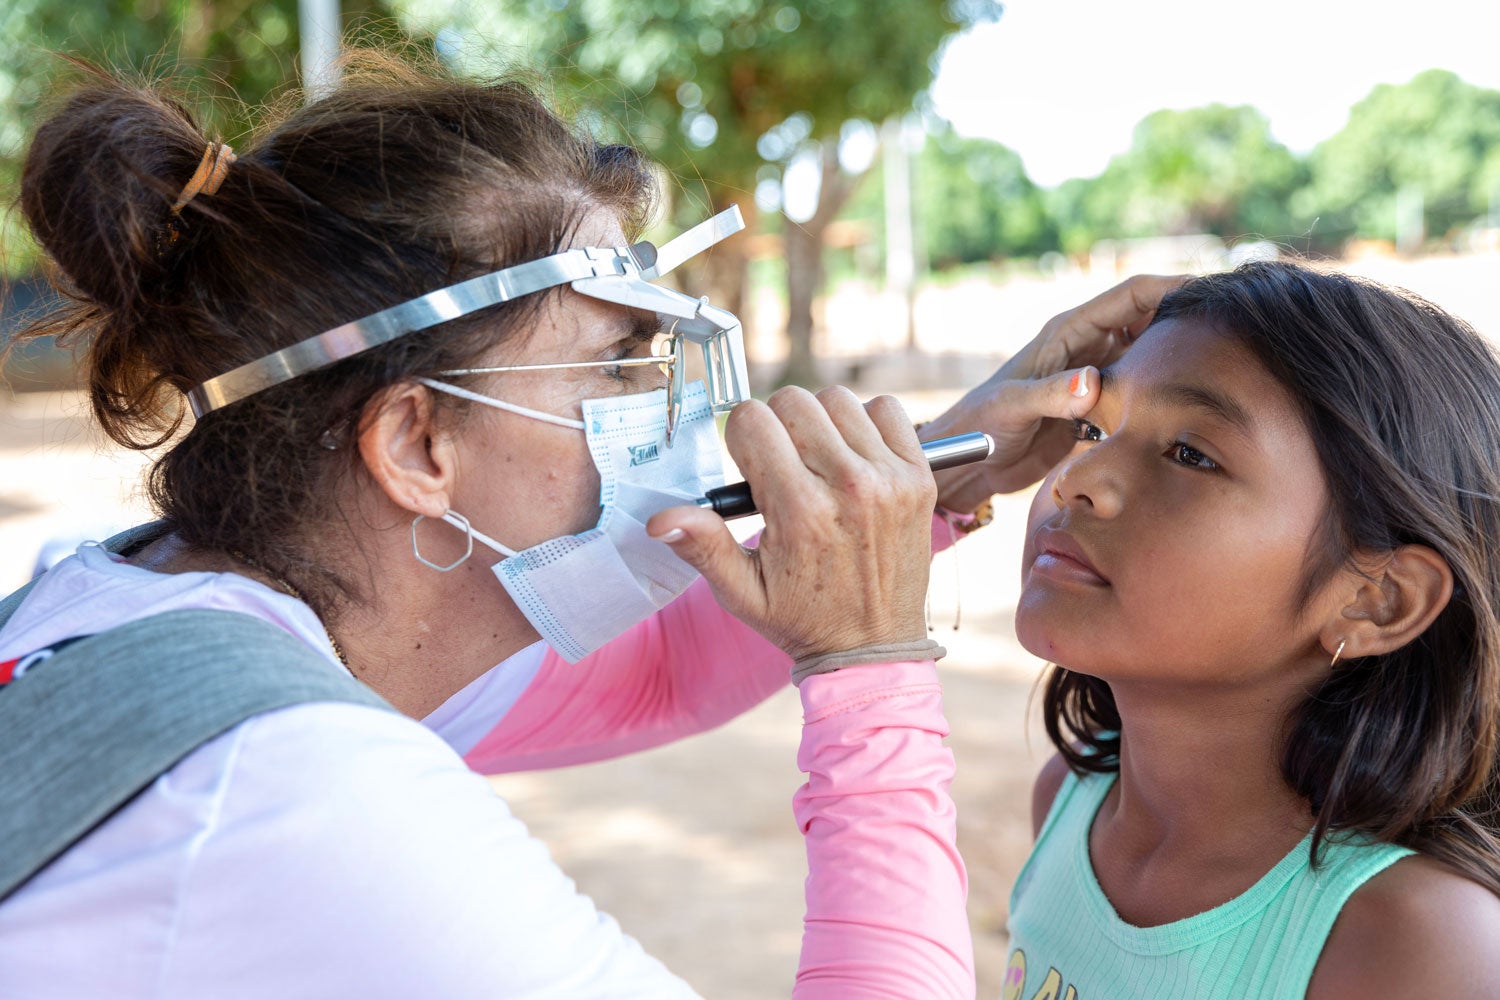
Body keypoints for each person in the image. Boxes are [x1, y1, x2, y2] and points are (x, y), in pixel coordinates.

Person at [0, 52, 1176, 998]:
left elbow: (659, 669)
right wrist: (869, 664)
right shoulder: (296, 791)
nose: (664, 408)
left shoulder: (143, 609)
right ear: (419, 445)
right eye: (618, 365)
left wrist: (940, 474)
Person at [1004, 260, 1500, 999]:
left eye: (1190, 454)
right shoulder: (1071, 803)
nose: (1079, 478)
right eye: (1092, 427)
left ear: (1376, 600)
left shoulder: (1416, 940)